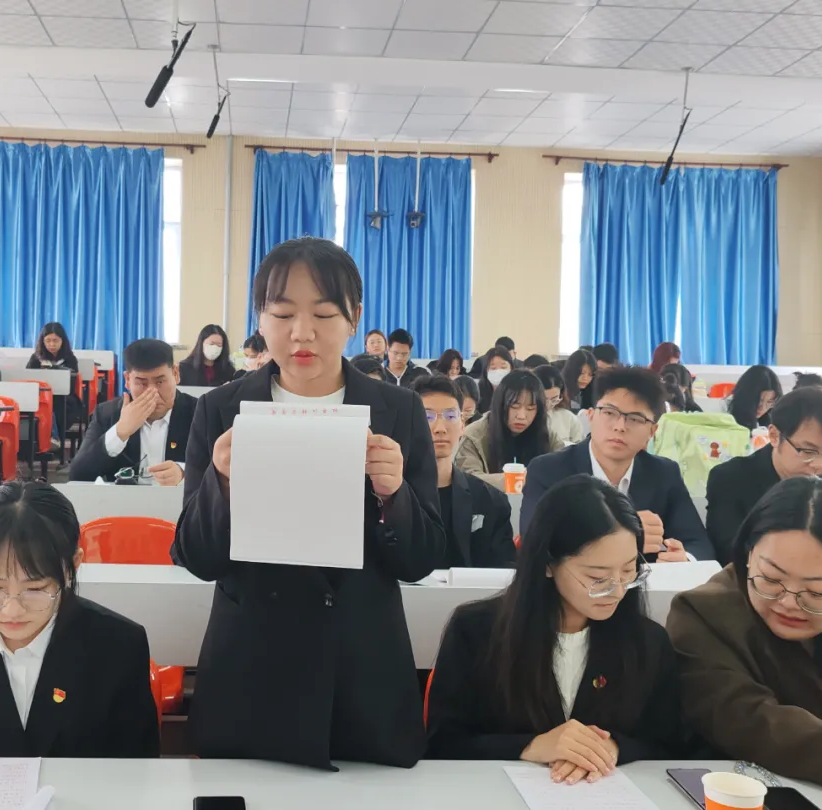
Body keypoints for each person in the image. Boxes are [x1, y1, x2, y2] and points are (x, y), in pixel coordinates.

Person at [171, 236, 445, 770]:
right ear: (260, 317)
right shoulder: (222, 409)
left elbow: (422, 559)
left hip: (362, 672)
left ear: (354, 317)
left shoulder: (399, 409)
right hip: (253, 668)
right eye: (281, 314)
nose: (302, 332)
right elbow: (196, 558)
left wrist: (395, 495)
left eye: (323, 314)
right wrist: (220, 484)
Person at [428, 475, 687, 772]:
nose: (617, 591)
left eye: (629, 571)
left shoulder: (649, 642)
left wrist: (614, 747)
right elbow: (442, 744)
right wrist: (530, 746)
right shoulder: (475, 632)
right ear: (548, 564)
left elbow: (672, 743)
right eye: (597, 577)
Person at [0, 481, 159, 758]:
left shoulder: (118, 647)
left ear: (73, 565)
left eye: (34, 590)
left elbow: (135, 771)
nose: (12, 611)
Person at [667, 477, 822, 796]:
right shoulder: (704, 613)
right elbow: (751, 723)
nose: (788, 602)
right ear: (749, 554)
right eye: (770, 579)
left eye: (817, 593)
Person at [520, 366, 715, 562]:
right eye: (610, 413)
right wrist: (624, 531)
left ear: (652, 432)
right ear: (591, 416)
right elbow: (534, 543)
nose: (620, 427)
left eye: (635, 419)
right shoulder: (548, 470)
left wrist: (684, 559)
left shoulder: (664, 474)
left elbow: (699, 544)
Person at [706, 387, 822, 565]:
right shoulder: (730, 478)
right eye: (808, 451)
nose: (819, 464)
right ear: (774, 436)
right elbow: (730, 552)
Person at [412, 376, 515, 569]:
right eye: (427, 417)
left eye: (450, 416)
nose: (440, 429)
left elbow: (504, 569)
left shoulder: (490, 500)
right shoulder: (389, 496)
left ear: (462, 425)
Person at [69, 339, 196, 485]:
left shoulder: (199, 413)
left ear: (176, 374)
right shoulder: (107, 414)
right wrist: (119, 433)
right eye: (141, 383)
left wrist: (184, 473)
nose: (152, 392)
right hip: (122, 499)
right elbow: (78, 475)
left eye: (160, 382)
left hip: (180, 498)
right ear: (127, 380)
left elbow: (216, 468)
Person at [456, 370, 562, 491]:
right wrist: (517, 480)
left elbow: (565, 472)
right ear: (500, 405)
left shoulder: (548, 436)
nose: (521, 416)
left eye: (530, 408)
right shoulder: (473, 437)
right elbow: (468, 480)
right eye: (514, 406)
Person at [534, 364, 583, 445]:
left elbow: (579, 447)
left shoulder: (568, 418)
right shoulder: (525, 418)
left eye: (554, 399)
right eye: (544, 399)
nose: (548, 405)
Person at [727, 365, 783, 431]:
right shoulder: (724, 412)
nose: (762, 408)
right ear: (745, 394)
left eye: (770, 402)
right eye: (759, 400)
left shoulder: (769, 421)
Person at [475, 345, 514, 413]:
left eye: (503, 367)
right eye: (493, 368)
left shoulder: (517, 392)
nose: (498, 371)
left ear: (511, 368)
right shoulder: (478, 392)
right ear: (486, 370)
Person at [563, 349, 597, 413]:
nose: (585, 378)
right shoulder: (561, 390)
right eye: (582, 373)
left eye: (590, 374)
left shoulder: (592, 388)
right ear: (571, 370)